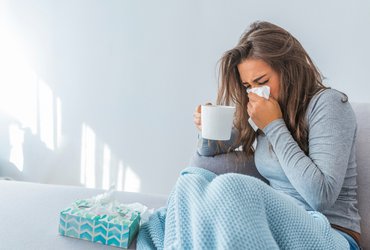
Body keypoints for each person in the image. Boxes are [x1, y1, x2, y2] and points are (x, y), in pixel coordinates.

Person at [137, 21, 361, 250]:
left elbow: (321, 197)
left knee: (232, 186)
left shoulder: (329, 104)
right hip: (272, 230)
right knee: (191, 181)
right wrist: (207, 129)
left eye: (262, 81)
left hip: (331, 235)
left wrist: (274, 125)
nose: (256, 92)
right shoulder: (267, 109)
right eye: (248, 85)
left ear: (289, 70)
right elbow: (209, 152)